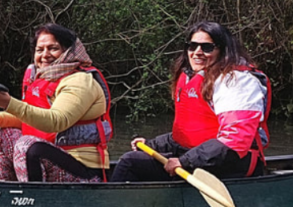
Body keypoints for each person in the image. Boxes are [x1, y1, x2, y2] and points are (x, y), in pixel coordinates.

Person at [110, 21, 270, 182]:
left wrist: (184, 162)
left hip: (229, 164)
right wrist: (152, 145)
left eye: (206, 47)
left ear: (222, 50)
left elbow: (235, 141)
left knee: (130, 163)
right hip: (198, 159)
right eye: (192, 46)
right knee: (132, 160)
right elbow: (186, 135)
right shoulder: (191, 76)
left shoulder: (237, 81)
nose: (197, 52)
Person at [0, 23, 113, 182]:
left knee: (27, 145)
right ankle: (2, 188)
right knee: (3, 133)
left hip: (83, 171)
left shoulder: (80, 81)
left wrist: (8, 103)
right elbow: (32, 118)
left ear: (68, 51)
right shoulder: (41, 78)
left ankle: (30, 198)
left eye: (53, 48)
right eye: (39, 50)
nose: (45, 55)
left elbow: (56, 121)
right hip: (47, 155)